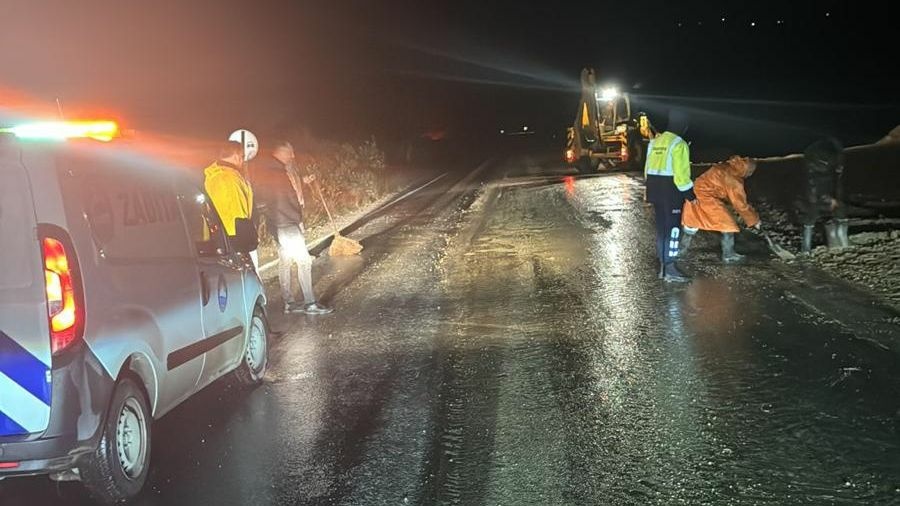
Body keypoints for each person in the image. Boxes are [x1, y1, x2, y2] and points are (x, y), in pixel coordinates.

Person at [254, 140, 332, 315]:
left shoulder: (270, 171)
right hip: (287, 223)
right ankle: (310, 303)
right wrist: (295, 219)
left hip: (278, 224)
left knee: (285, 261)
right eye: (290, 153)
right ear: (281, 153)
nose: (292, 156)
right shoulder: (277, 173)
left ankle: (289, 303)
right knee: (304, 261)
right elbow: (285, 199)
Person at [644, 110, 695, 282]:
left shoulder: (654, 142)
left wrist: (648, 189)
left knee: (661, 229)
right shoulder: (679, 144)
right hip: (671, 192)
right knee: (673, 230)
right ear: (683, 126)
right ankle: (670, 268)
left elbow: (647, 169)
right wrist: (690, 195)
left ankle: (663, 267)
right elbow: (681, 176)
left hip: (655, 190)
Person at [680, 156, 760, 263]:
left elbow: (722, 189)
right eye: (750, 172)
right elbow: (740, 204)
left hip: (694, 194)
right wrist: (755, 220)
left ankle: (680, 251)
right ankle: (729, 255)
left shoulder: (725, 167)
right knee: (728, 225)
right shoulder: (734, 179)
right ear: (746, 170)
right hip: (707, 198)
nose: (750, 175)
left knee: (692, 223)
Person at [203, 141, 258, 265]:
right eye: (242, 157)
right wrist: (247, 242)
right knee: (248, 274)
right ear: (236, 156)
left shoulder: (214, 175)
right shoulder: (229, 178)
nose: (243, 161)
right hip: (238, 240)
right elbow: (237, 212)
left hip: (225, 238)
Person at [799, 138, 848, 253]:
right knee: (811, 215)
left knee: (839, 211)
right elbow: (814, 187)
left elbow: (836, 186)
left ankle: (842, 238)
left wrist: (835, 199)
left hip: (824, 184)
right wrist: (828, 198)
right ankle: (806, 248)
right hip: (817, 192)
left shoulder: (833, 162)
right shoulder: (818, 167)